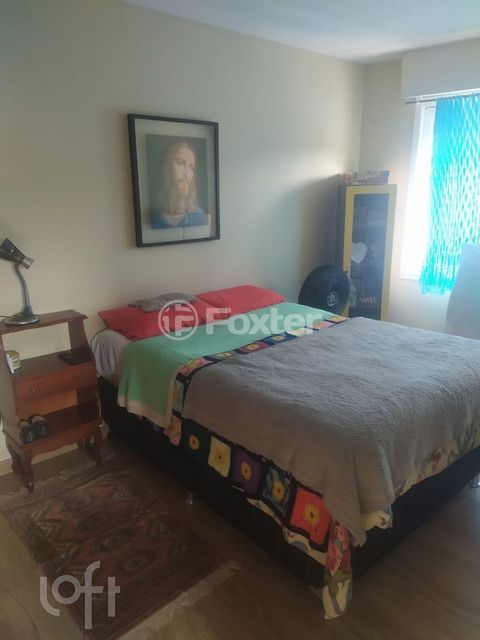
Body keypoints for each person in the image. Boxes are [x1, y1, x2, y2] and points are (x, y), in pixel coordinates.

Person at [150, 141, 208, 229]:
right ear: (167, 167)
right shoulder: (154, 218)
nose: (186, 174)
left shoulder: (199, 217)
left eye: (191, 167)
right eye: (180, 163)